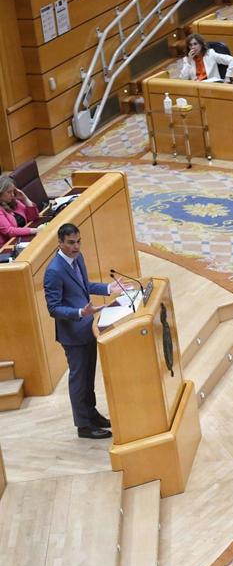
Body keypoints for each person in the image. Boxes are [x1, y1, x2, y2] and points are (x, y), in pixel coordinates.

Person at [43, 223, 132, 440]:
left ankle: (91, 414)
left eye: (78, 241)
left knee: (88, 377)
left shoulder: (77, 259)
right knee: (78, 379)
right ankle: (83, 425)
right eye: (71, 243)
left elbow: (84, 286)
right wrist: (80, 312)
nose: (76, 246)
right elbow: (53, 309)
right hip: (73, 334)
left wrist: (107, 289)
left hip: (88, 329)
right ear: (60, 243)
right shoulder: (54, 271)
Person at [0, 175, 41, 242]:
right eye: (9, 192)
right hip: (7, 245)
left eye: (13, 191)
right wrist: (33, 230)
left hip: (21, 239)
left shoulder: (13, 201)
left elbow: (34, 217)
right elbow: (9, 231)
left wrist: (25, 199)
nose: (13, 194)